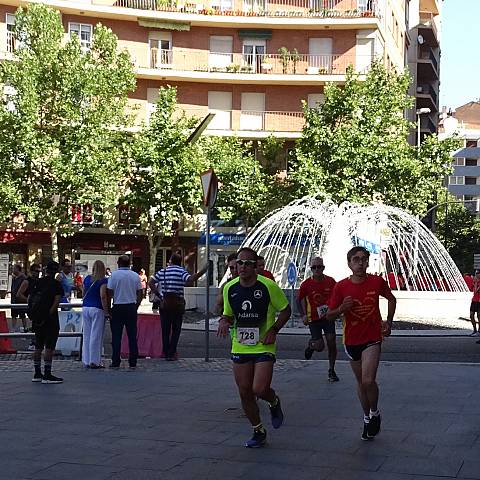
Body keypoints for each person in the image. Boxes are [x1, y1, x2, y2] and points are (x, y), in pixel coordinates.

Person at [217, 247, 291, 448]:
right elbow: (228, 314)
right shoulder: (229, 288)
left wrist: (274, 329)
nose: (243, 267)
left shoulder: (268, 286)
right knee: (245, 392)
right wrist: (224, 320)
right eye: (239, 263)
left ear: (256, 266)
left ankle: (273, 401)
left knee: (259, 389)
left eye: (248, 263)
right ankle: (258, 430)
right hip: (240, 346)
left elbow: (286, 310)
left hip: (264, 345)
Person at [327, 246, 396, 441]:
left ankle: (374, 412)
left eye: (363, 259)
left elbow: (391, 299)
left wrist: (389, 322)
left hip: (372, 338)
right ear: (349, 263)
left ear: (368, 262)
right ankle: (366, 418)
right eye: (356, 259)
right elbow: (329, 316)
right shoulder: (341, 287)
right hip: (351, 340)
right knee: (361, 383)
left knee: (368, 380)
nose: (360, 263)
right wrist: (342, 308)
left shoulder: (376, 281)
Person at [149, 253, 207, 361]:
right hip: (178, 304)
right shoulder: (181, 271)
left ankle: (166, 352)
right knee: (176, 330)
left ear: (170, 260)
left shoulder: (164, 271)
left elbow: (151, 282)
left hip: (165, 303)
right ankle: (172, 352)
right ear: (180, 262)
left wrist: (159, 295)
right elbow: (190, 280)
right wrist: (202, 271)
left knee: (165, 330)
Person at [297, 257, 339, 381]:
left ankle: (331, 370)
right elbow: (298, 300)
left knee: (331, 341)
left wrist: (337, 310)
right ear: (311, 269)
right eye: (314, 267)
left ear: (323, 268)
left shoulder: (331, 281)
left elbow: (338, 295)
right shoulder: (306, 284)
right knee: (320, 346)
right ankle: (312, 346)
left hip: (328, 317)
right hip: (313, 318)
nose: (316, 270)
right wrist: (303, 315)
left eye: (319, 267)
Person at [27, 260, 64, 384]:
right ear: (56, 271)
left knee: (38, 345)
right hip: (50, 319)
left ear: (46, 270)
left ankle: (37, 373)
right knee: (49, 346)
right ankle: (47, 374)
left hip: (37, 318)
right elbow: (56, 301)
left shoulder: (37, 282)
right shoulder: (56, 284)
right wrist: (49, 313)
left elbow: (29, 298)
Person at [107, 255, 143, 369]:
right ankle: (133, 360)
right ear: (129, 263)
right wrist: (136, 305)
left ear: (118, 263)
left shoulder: (114, 275)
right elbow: (140, 293)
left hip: (118, 306)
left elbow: (109, 293)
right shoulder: (135, 275)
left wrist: (109, 309)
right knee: (132, 335)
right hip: (131, 307)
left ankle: (116, 360)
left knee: (116, 336)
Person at [82, 260, 109, 368]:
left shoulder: (87, 278)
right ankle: (95, 361)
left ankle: (86, 360)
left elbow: (83, 292)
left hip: (86, 307)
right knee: (96, 335)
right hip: (97, 308)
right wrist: (106, 311)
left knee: (87, 335)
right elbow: (103, 296)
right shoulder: (103, 280)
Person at [17, 264, 42, 351]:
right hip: (31, 307)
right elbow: (19, 294)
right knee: (35, 324)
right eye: (36, 271)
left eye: (39, 271)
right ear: (31, 271)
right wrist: (29, 300)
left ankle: (36, 341)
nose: (38, 273)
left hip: (38, 307)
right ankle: (33, 342)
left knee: (39, 324)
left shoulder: (39, 281)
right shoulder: (27, 281)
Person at [10, 264, 27, 332]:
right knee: (13, 315)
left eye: (14, 268)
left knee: (22, 315)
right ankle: (13, 328)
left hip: (20, 300)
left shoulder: (23, 278)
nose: (13, 270)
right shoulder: (14, 278)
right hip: (13, 299)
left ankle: (25, 328)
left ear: (17, 269)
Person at [469, 270, 480, 336]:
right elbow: (471, 289)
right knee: (471, 315)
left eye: (477, 273)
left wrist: (475, 282)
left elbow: (476, 291)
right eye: (475, 273)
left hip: (479, 301)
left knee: (479, 316)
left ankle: (479, 331)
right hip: (474, 300)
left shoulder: (477, 282)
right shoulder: (475, 281)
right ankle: (474, 329)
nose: (476, 275)